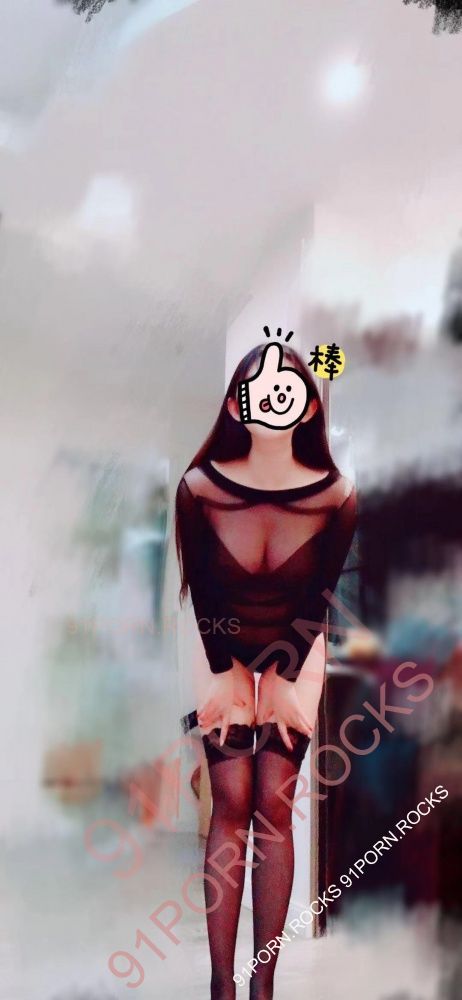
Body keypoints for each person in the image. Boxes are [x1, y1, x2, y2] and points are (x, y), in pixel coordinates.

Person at [175, 342, 357, 1000]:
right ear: (236, 406)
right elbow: (203, 589)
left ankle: (263, 985)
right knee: (230, 803)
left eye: (290, 389)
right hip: (216, 639)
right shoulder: (199, 487)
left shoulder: (338, 495)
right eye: (261, 389)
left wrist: (284, 668)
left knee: (273, 807)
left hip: (298, 644)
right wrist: (224, 667)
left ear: (307, 407)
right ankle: (221, 984)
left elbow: (321, 596)